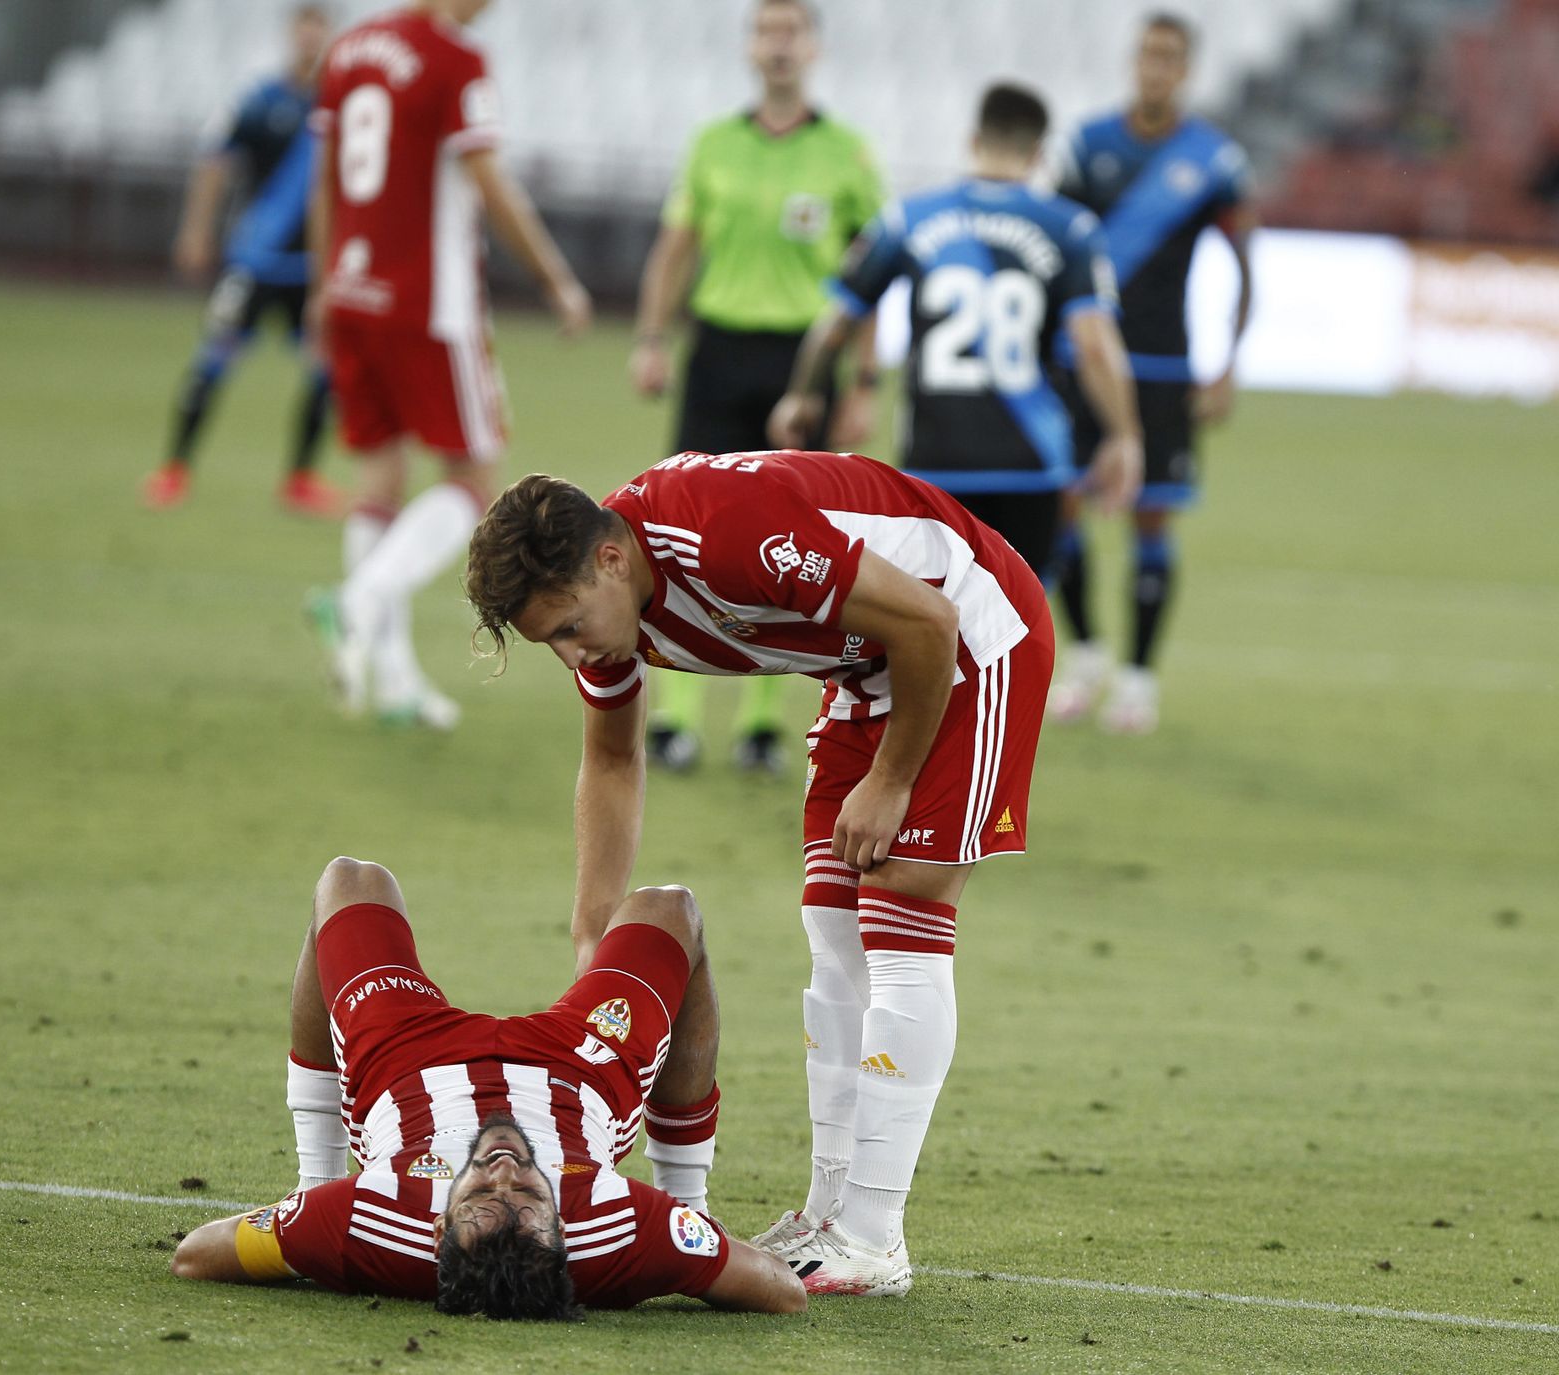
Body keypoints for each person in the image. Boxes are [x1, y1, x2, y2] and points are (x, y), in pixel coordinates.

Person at [465, 450, 1054, 1297]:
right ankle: (828, 1214)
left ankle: (874, 1232)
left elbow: (928, 619)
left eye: (566, 627)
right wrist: (594, 926)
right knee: (833, 929)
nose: (570, 654)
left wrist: (890, 780)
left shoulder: (722, 533)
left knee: (901, 914)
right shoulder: (611, 607)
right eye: (547, 640)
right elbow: (613, 756)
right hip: (866, 671)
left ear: (610, 559)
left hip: (968, 635)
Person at [172, 856, 805, 1317]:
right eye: (530, 1199)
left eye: (478, 1198)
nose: (503, 1171)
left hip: (407, 1060)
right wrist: (689, 1233)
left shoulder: (368, 1218)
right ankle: (692, 1192)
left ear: (439, 1229)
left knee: (350, 882)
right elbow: (782, 1289)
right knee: (671, 908)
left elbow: (196, 1255)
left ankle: (312, 1175)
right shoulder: (620, 1231)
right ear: (562, 1232)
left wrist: (307, 1221)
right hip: (577, 1067)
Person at [304, 0, 592, 730]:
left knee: (380, 475)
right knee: (472, 478)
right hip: (430, 302)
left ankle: (392, 677)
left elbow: (326, 178)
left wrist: (322, 282)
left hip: (351, 287)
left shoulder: (349, 49)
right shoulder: (455, 58)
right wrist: (555, 276)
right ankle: (361, 595)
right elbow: (489, 180)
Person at [628, 0, 884, 775]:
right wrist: (650, 336)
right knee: (681, 533)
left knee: (793, 540)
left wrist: (865, 380)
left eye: (791, 32)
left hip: (803, 362)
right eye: (766, 31)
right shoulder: (714, 144)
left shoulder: (847, 153)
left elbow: (873, 275)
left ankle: (766, 722)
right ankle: (674, 715)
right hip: (718, 350)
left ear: (813, 49)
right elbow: (676, 248)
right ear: (750, 46)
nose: (778, 45)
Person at [770, 83, 1142, 578]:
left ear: (973, 141)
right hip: (1031, 461)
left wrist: (803, 393)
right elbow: (1094, 345)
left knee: (931, 620)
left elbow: (836, 323)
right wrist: (1123, 434)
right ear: (1037, 153)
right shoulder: (1070, 229)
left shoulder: (909, 219)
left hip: (934, 459)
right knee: (1018, 625)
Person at [1049, 11, 1256, 734]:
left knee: (1152, 513)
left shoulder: (1213, 160)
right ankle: (1086, 655)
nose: (1156, 68)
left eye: (1170, 57)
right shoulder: (1088, 146)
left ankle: (1138, 678)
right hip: (1085, 357)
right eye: (1147, 55)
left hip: (1166, 363)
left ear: (1186, 68)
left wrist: (1227, 363)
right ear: (1135, 63)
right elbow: (1060, 252)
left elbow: (1243, 265)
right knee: (1064, 505)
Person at [143, 4, 345, 518]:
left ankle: (300, 478)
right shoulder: (259, 101)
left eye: (319, 28)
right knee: (212, 362)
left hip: (311, 269)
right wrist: (196, 230)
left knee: (327, 372)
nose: (310, 37)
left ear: (329, 37)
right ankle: (175, 468)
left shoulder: (338, 106)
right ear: (290, 34)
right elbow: (215, 162)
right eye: (304, 26)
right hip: (256, 261)